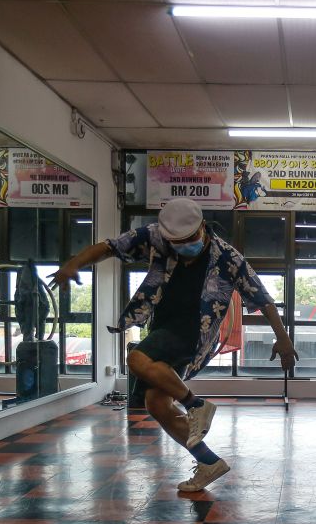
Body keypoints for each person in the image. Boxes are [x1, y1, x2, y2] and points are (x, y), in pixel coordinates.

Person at [50, 198, 297, 492]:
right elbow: (109, 247)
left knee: (135, 359)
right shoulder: (155, 236)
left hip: (197, 331)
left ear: (202, 228)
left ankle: (196, 404)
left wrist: (282, 339)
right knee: (156, 403)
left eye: (189, 240)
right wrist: (73, 263)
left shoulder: (228, 258)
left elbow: (263, 299)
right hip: (163, 328)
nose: (183, 247)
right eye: (175, 242)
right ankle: (208, 462)